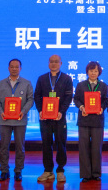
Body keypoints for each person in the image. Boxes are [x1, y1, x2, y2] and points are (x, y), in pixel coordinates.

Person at [0, 58, 34, 182]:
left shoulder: (26, 83)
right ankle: (4, 170)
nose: (14, 69)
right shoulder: (1, 83)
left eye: (17, 67)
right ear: (8, 68)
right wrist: (1, 112)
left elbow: (31, 100)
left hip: (20, 120)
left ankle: (18, 170)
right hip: (5, 120)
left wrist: (23, 111)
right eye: (12, 66)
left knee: (20, 147)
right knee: (3, 147)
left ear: (20, 68)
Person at [34, 54, 74, 182]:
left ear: (61, 63)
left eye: (56, 61)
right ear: (48, 63)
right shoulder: (42, 78)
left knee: (61, 143)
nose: (54, 63)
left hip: (59, 117)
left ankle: (60, 170)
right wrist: (40, 111)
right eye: (51, 61)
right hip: (45, 118)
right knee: (46, 144)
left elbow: (68, 97)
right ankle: (48, 170)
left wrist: (61, 111)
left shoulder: (67, 78)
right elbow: (37, 96)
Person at [73, 61, 108, 182]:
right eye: (91, 71)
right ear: (87, 72)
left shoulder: (103, 86)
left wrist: (102, 108)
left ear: (99, 72)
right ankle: (85, 174)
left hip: (97, 120)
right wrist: (81, 107)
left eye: (95, 71)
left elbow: (106, 100)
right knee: (83, 148)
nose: (93, 73)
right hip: (84, 119)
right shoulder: (81, 85)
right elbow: (76, 99)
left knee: (96, 148)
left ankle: (96, 173)